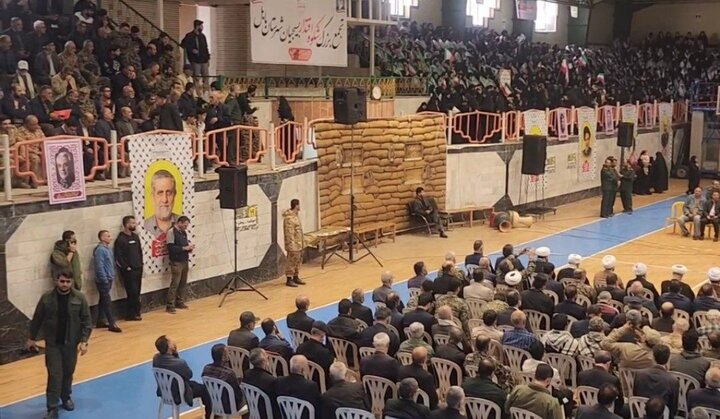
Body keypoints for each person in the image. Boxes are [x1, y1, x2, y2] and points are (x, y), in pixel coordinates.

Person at [27, 270, 92, 419]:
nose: (65, 284)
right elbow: (37, 319)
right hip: (53, 344)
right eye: (62, 281)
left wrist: (84, 341)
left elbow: (86, 321)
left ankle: (66, 397)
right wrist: (31, 338)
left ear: (72, 282)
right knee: (55, 375)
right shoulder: (46, 298)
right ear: (56, 281)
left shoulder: (80, 298)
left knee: (68, 372)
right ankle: (52, 408)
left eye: (68, 282)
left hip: (71, 344)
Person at [152, 335, 212, 419]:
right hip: (179, 393)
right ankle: (210, 416)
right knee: (206, 390)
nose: (174, 341)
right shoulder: (179, 363)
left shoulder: (156, 358)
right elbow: (189, 375)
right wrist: (176, 354)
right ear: (169, 346)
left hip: (165, 392)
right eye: (171, 341)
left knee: (195, 384)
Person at [634, 344, 679, 418]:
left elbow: (635, 396)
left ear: (653, 357)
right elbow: (673, 409)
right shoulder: (672, 380)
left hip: (641, 413)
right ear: (668, 359)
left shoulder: (639, 374)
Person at [114, 215, 144, 321]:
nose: (135, 225)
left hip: (138, 268)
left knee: (137, 292)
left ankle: (137, 311)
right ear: (127, 225)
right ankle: (131, 314)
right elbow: (118, 256)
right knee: (132, 292)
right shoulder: (120, 239)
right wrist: (126, 267)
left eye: (135, 223)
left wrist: (141, 264)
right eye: (132, 223)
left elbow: (139, 251)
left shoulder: (135, 237)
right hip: (129, 271)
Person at [201, 344, 244, 415]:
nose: (229, 353)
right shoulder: (229, 373)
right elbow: (238, 395)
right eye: (227, 352)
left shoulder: (206, 368)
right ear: (223, 358)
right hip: (229, 407)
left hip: (213, 404)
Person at [577, 351, 624, 415]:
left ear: (594, 361)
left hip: (586, 409)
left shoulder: (581, 375)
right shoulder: (613, 379)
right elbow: (620, 402)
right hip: (608, 411)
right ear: (608, 363)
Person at [93, 230, 121, 332]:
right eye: (108, 236)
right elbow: (99, 266)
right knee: (107, 301)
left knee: (103, 299)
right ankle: (112, 322)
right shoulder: (100, 250)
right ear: (102, 238)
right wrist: (104, 278)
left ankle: (100, 320)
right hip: (103, 280)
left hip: (109, 278)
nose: (110, 238)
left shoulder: (108, 249)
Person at [166, 215, 193, 313]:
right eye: (185, 225)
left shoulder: (183, 232)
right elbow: (171, 248)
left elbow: (184, 245)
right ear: (179, 223)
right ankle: (170, 305)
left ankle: (179, 301)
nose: (186, 227)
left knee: (183, 282)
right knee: (175, 283)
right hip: (176, 261)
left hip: (184, 260)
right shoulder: (171, 232)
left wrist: (189, 249)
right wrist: (184, 248)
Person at [243, 348, 278, 417]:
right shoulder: (271, 380)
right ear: (264, 360)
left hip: (253, 410)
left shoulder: (247, 374)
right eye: (266, 355)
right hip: (267, 413)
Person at [283, 198, 306, 287]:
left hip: (299, 243)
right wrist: (291, 245)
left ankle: (296, 276)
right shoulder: (289, 218)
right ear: (296, 205)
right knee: (291, 261)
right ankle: (289, 278)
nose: (300, 206)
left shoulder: (296, 216)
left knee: (298, 260)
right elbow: (289, 233)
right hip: (293, 244)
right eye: (299, 205)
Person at [181, 20, 210, 87]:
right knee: (196, 77)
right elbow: (183, 44)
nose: (202, 27)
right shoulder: (189, 36)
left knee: (206, 77)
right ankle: (196, 89)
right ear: (197, 26)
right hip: (195, 60)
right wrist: (191, 50)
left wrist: (208, 58)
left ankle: (206, 89)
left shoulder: (202, 36)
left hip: (204, 59)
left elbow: (206, 47)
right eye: (201, 26)